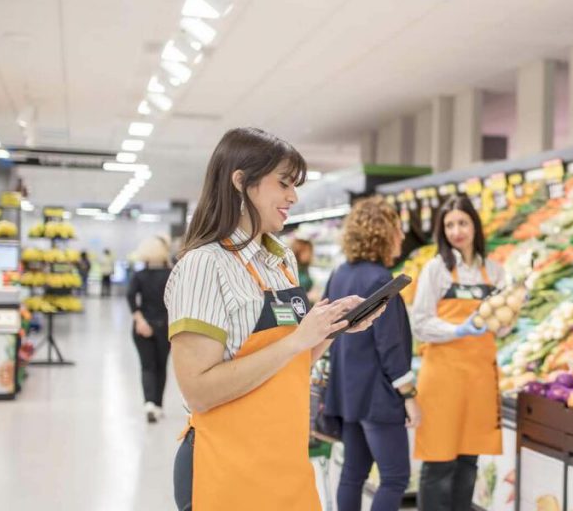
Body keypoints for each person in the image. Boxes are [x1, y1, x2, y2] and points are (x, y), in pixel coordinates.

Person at [166, 127, 383, 511]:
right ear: (241, 182)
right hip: (227, 470)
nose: (293, 197)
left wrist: (331, 330)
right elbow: (198, 391)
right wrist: (298, 340)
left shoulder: (279, 259)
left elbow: (288, 365)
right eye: (283, 183)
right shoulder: (203, 266)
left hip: (285, 464)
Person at [324, 197, 420, 511]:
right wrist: (409, 395)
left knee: (353, 473)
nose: (402, 237)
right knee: (394, 477)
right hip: (378, 395)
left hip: (347, 392)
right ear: (382, 233)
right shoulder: (381, 281)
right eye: (397, 229)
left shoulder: (339, 274)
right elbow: (390, 346)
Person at [411, 195, 504, 511]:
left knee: (469, 460)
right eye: (449, 224)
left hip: (479, 378)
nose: (456, 230)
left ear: (474, 225)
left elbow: (502, 328)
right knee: (439, 463)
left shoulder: (494, 271)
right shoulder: (435, 270)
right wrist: (456, 330)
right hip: (442, 377)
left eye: (462, 222)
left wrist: (511, 312)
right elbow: (420, 323)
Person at [126, 235, 173, 423]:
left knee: (147, 366)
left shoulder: (139, 275)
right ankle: (159, 405)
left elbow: (131, 298)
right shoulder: (171, 274)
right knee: (161, 366)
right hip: (165, 326)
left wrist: (140, 320)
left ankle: (149, 403)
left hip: (142, 326)